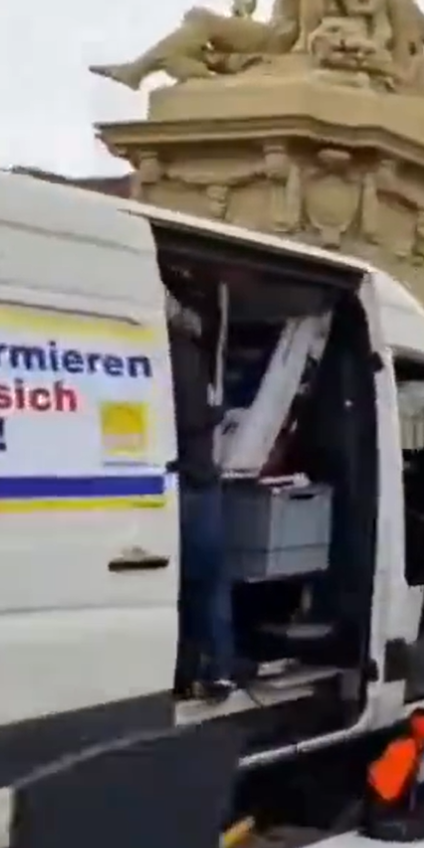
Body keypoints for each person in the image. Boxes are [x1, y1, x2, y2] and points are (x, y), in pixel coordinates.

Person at [169, 293, 236, 700]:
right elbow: (192, 416)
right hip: (195, 480)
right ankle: (215, 670)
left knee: (183, 585)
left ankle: (184, 670)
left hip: (175, 478)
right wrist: (221, 411)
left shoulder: (159, 350)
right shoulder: (185, 353)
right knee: (209, 582)